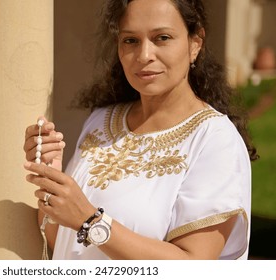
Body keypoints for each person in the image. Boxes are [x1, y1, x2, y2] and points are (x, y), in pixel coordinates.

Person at [23, 0, 258, 260]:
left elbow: (193, 266)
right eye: (131, 41)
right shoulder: (101, 121)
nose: (144, 55)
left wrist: (91, 221)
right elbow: (63, 240)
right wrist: (52, 176)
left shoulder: (214, 140)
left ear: (195, 44)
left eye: (162, 38)